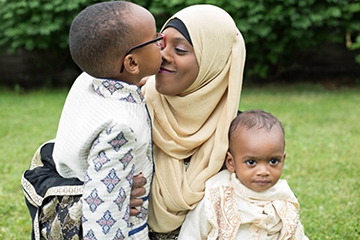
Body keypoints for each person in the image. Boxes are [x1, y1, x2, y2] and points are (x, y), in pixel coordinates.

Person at [21, 1, 164, 239]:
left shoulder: (87, 79)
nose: (162, 42)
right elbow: (105, 218)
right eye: (155, 39)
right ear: (132, 63)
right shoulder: (120, 126)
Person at [142, 4, 246, 238]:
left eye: (179, 49)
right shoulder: (132, 108)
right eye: (161, 44)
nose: (162, 56)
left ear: (214, 61)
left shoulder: (240, 134)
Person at [178, 110, 309, 239]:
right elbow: (191, 233)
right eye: (251, 162)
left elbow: (296, 234)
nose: (263, 171)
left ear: (283, 159)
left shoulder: (283, 197)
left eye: (273, 161)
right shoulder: (217, 196)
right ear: (231, 162)